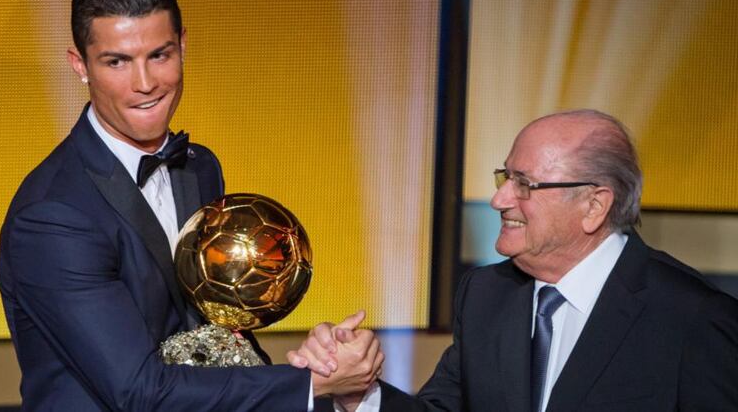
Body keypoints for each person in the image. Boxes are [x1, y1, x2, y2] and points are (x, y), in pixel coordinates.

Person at [0, 0, 381, 410]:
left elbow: (216, 334)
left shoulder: (199, 168)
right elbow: (138, 392)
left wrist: (321, 363)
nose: (145, 84)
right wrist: (308, 387)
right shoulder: (53, 214)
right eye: (117, 61)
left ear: (182, 45)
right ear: (80, 65)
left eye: (159, 55)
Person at [293, 109, 738, 411]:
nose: (499, 198)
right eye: (506, 176)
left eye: (525, 184)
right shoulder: (486, 294)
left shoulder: (692, 317)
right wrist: (358, 393)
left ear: (594, 205)